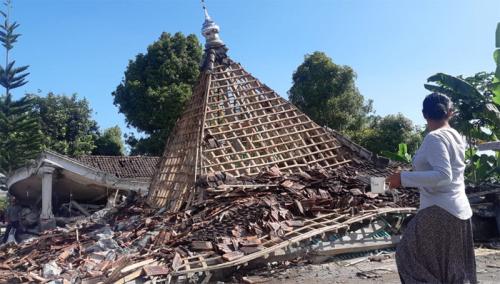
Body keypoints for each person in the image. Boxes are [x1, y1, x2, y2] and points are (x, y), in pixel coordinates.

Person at [387, 93, 476, 283]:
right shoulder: (456, 137)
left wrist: (402, 178)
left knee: (407, 257)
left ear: (424, 114)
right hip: (458, 211)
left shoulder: (435, 138)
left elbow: (443, 175)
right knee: (450, 269)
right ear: (450, 113)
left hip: (438, 211)